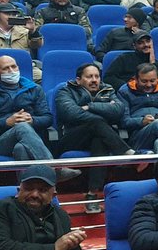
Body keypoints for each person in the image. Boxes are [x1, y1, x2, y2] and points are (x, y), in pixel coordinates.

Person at [0, 55, 80, 180]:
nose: (11, 71)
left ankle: (29, 191)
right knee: (21, 126)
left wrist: (33, 120)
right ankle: (54, 169)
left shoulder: (35, 89)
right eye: (6, 68)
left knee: (21, 148)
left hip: (32, 140)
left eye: (14, 66)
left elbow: (47, 118)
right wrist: (7, 122)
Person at [55, 63, 135, 213]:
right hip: (72, 138)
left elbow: (118, 111)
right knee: (97, 123)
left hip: (100, 137)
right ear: (78, 80)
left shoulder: (108, 89)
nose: (94, 80)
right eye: (89, 76)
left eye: (97, 76)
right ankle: (125, 153)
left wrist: (90, 106)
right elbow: (71, 114)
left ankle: (92, 195)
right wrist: (104, 111)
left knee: (99, 140)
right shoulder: (65, 91)